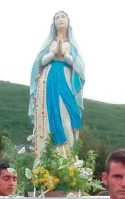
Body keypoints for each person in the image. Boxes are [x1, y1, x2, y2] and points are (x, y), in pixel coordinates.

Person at [29, 10, 85, 157]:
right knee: (50, 114)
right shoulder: (49, 44)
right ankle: (51, 154)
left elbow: (79, 67)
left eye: (63, 17)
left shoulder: (72, 45)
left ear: (68, 21)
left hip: (66, 79)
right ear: (53, 23)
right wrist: (53, 54)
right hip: (49, 81)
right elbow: (38, 63)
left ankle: (69, 156)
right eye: (57, 18)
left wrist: (65, 55)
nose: (60, 20)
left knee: (67, 113)